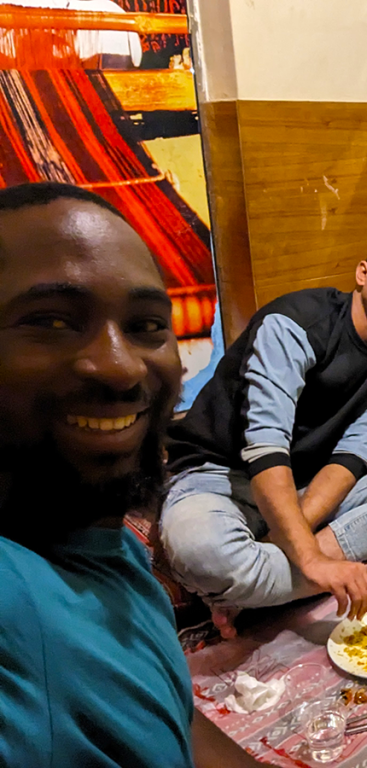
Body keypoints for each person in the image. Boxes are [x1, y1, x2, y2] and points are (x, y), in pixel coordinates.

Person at [0, 182, 261, 766]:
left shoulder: (107, 542)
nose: (119, 367)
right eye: (51, 320)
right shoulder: (14, 598)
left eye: (146, 325)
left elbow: (176, 715)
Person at [161, 213, 367, 639]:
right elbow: (266, 448)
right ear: (363, 271)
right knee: (202, 552)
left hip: (302, 485)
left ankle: (256, 586)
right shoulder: (295, 324)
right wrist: (314, 559)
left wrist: (291, 539)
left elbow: (350, 459)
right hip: (218, 477)